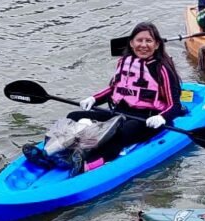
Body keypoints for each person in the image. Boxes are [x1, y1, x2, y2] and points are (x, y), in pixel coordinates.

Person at [26, 22, 183, 177]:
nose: (143, 45)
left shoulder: (162, 69)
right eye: (139, 40)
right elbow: (114, 89)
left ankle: (86, 164)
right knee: (74, 117)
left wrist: (161, 117)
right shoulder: (124, 62)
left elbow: (174, 105)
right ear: (131, 43)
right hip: (120, 113)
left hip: (147, 119)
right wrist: (94, 99)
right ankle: (49, 154)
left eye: (148, 41)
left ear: (156, 45)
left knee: (116, 135)